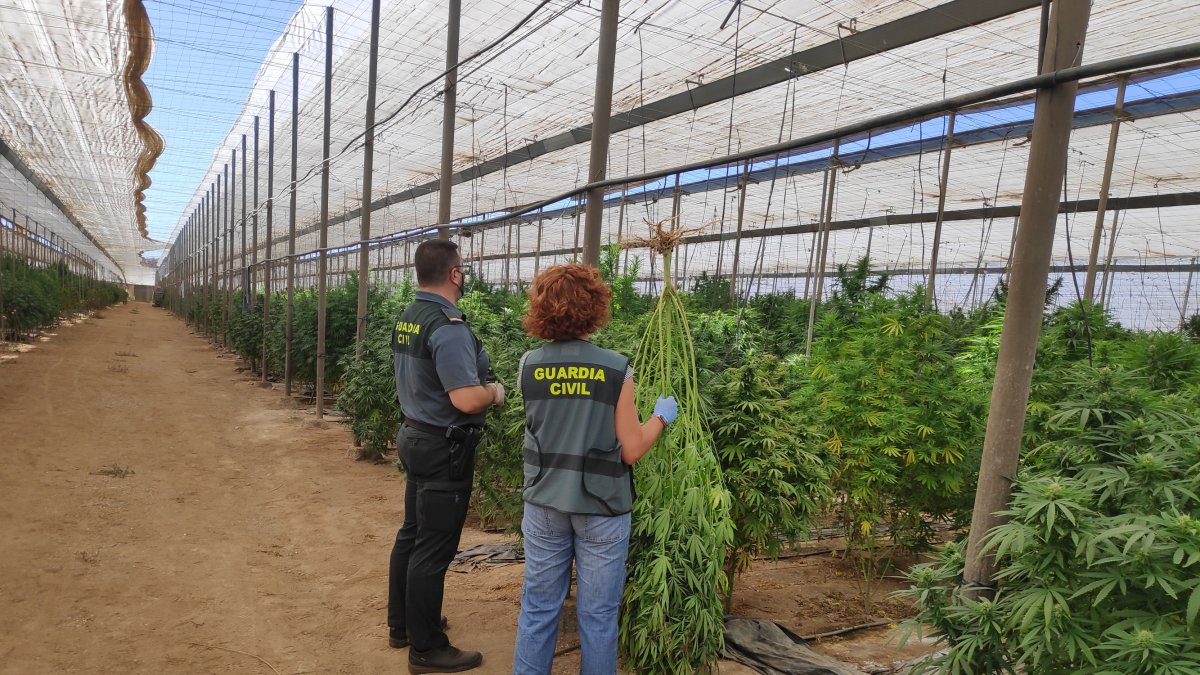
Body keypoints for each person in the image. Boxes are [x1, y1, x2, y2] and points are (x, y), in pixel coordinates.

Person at [511, 264, 678, 674]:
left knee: (538, 610)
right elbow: (631, 449)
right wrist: (660, 418)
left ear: (541, 308)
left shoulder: (529, 365)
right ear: (595, 305)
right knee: (598, 617)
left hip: (545, 502)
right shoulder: (615, 368)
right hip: (602, 508)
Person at [388, 238, 505, 674]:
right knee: (433, 548)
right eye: (464, 268)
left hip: (415, 435)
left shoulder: (410, 316)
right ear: (454, 273)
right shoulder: (448, 326)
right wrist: (495, 392)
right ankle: (427, 647)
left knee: (412, 534)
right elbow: (466, 399)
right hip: (443, 446)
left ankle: (403, 625)